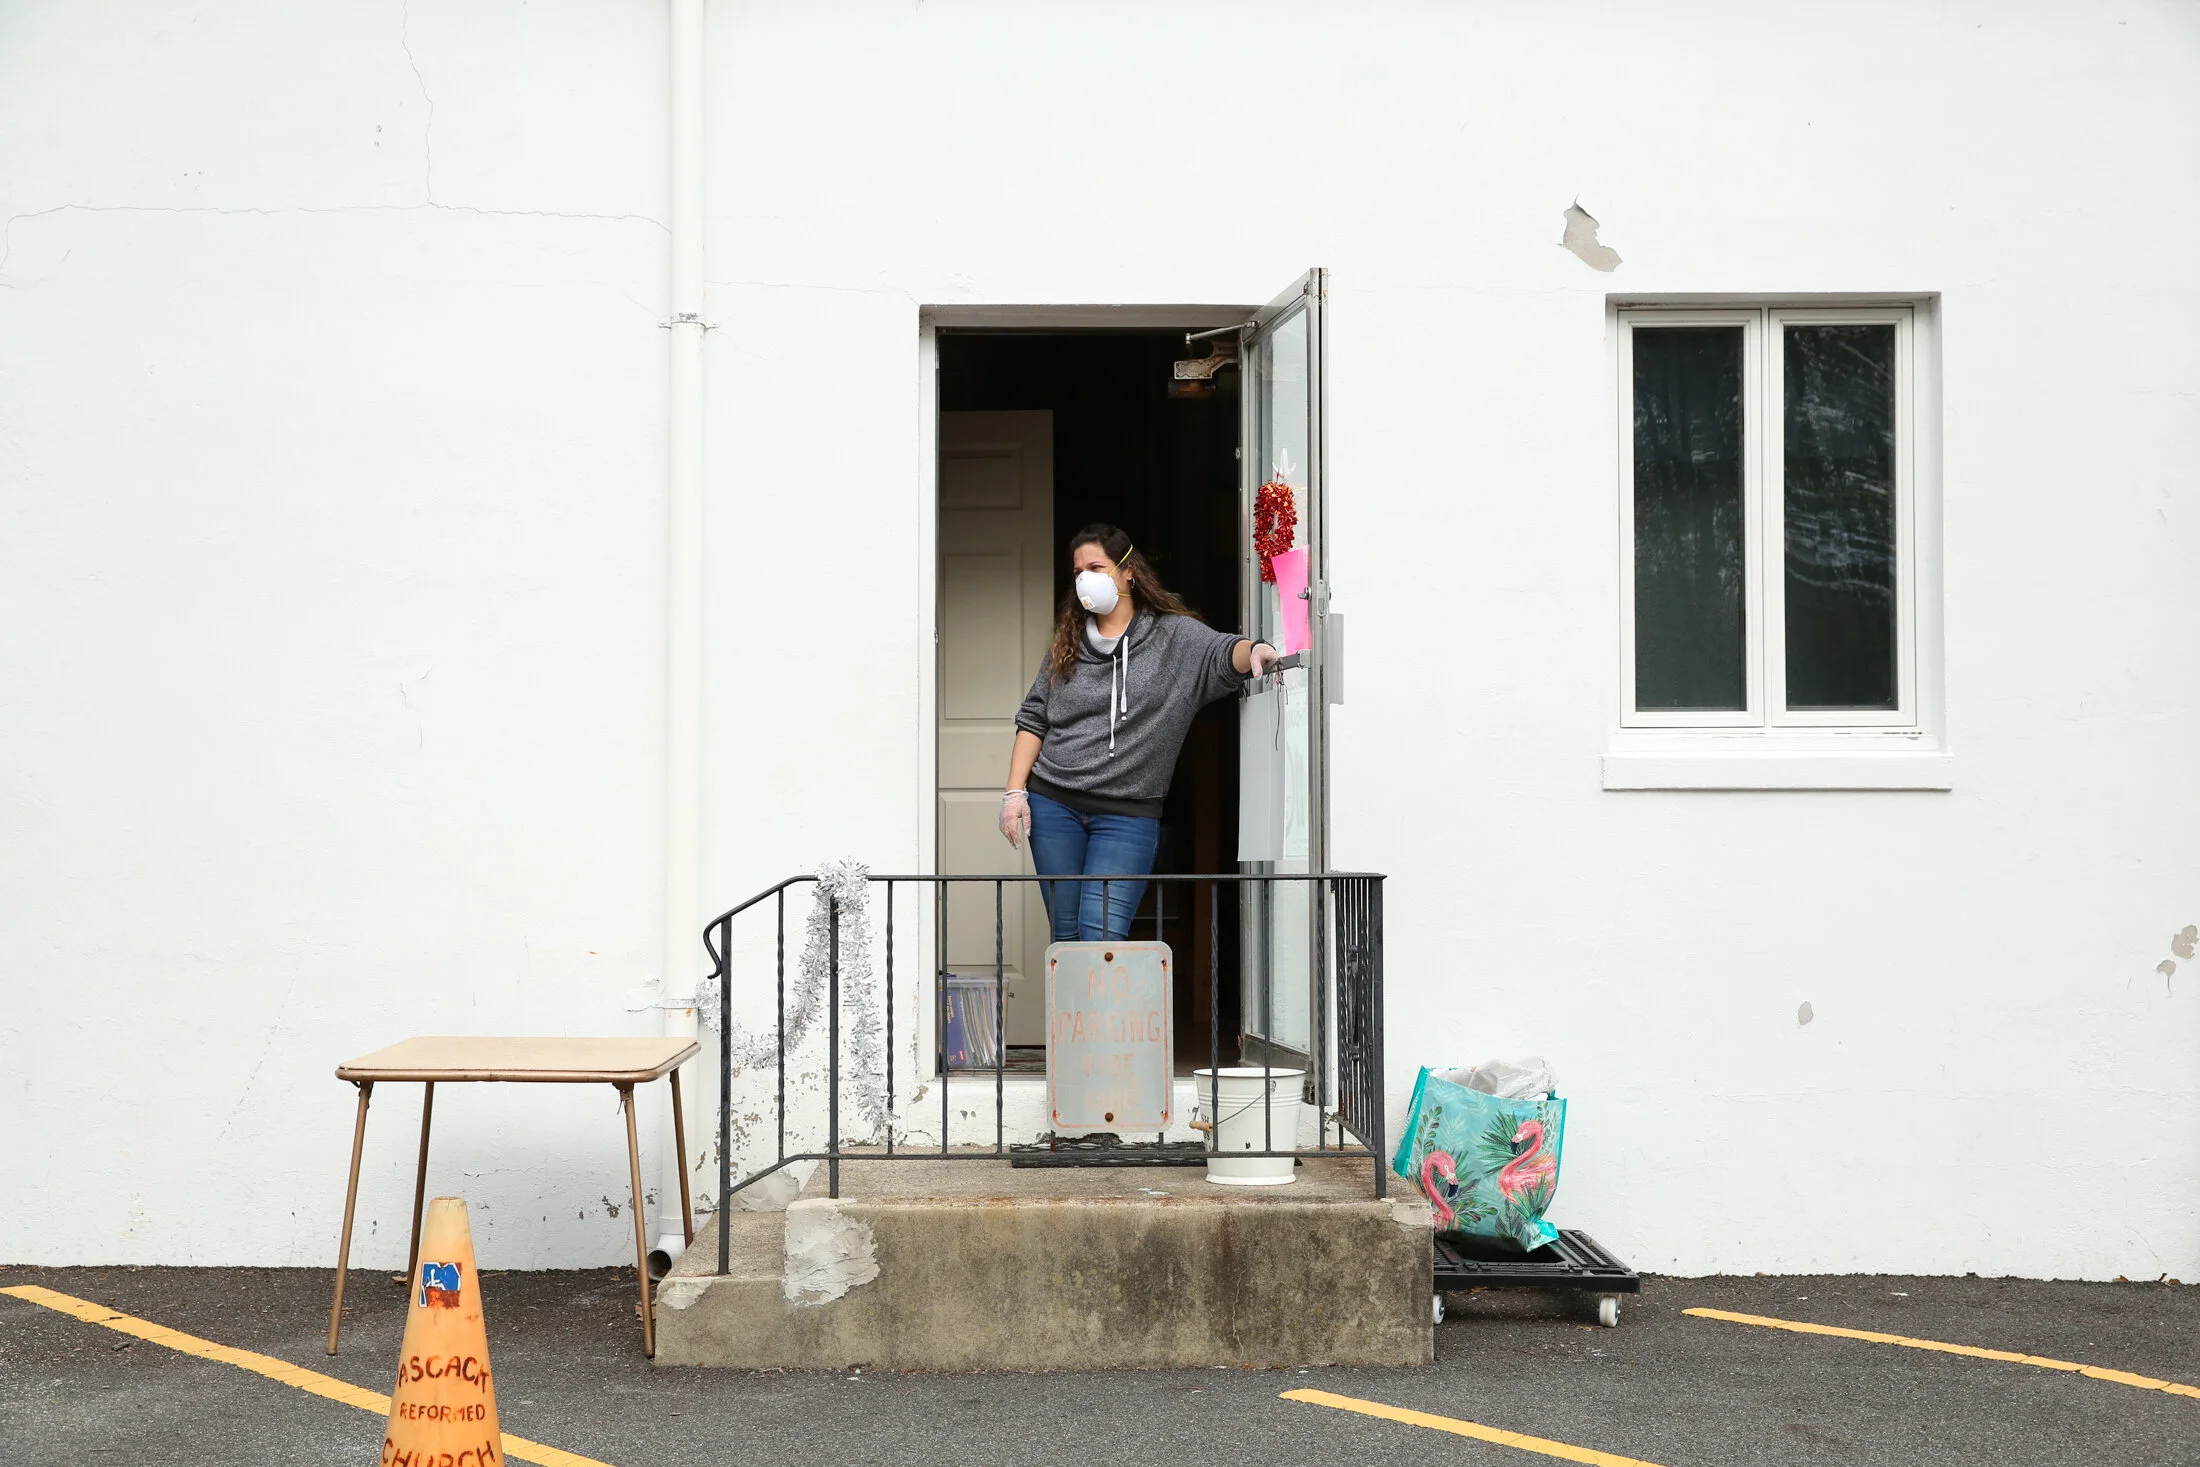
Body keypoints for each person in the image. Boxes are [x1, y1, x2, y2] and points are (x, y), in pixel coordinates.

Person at [1000, 523, 1278, 941]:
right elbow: (1035, 717)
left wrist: (1255, 650)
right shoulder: (1068, 642)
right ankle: (1071, 1012)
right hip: (1054, 804)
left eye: (1096, 566)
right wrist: (1014, 793)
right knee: (1067, 937)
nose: (1085, 579)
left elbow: (1222, 652)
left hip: (1127, 815)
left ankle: (1103, 1011)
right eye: (1078, 572)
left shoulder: (1172, 636)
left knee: (1101, 939)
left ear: (1129, 572)